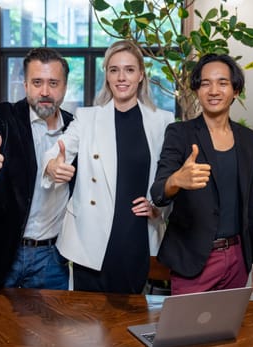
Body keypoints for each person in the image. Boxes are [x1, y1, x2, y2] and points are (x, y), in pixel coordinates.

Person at [42, 40, 174, 294]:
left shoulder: (162, 121)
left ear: (141, 74)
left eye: (129, 69)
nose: (121, 77)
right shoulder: (87, 117)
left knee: (127, 322)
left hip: (136, 234)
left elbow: (168, 177)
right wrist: (52, 166)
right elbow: (56, 152)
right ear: (107, 75)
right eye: (114, 70)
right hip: (89, 236)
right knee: (85, 324)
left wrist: (157, 206)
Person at [0, 47, 74, 294]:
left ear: (65, 86)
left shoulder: (75, 127)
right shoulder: (4, 115)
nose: (45, 91)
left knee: (52, 332)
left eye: (53, 83)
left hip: (53, 257)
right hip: (3, 251)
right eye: (37, 82)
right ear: (25, 85)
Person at [150, 54, 253, 295]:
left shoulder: (248, 139)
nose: (214, 90)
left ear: (235, 91)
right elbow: (158, 192)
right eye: (205, 83)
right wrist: (176, 180)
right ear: (196, 90)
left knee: (227, 331)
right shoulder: (179, 133)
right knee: (185, 331)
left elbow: (250, 206)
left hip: (237, 258)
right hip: (193, 257)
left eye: (222, 83)